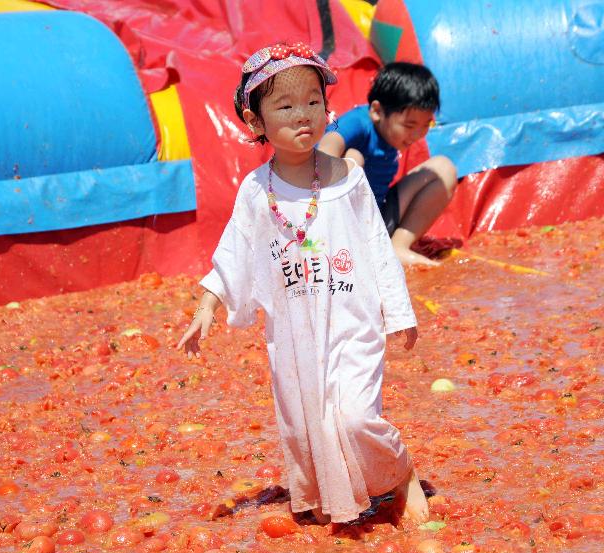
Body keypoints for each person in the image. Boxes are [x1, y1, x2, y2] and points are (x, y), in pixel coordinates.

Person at [176, 42, 430, 525]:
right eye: (286, 106)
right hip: (294, 333)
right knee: (306, 423)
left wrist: (399, 314)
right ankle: (334, 496)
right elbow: (234, 252)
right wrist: (207, 305)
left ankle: (401, 473)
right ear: (257, 123)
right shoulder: (256, 191)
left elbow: (378, 248)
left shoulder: (348, 180)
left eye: (313, 101)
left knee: (354, 416)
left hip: (351, 321)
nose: (304, 115)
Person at [318, 62, 457, 267]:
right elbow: (327, 145)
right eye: (409, 125)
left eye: (425, 125)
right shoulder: (358, 121)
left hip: (377, 220)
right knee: (354, 157)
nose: (417, 135)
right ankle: (351, 250)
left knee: (443, 168)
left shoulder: (391, 133)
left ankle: (398, 247)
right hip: (340, 227)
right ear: (377, 111)